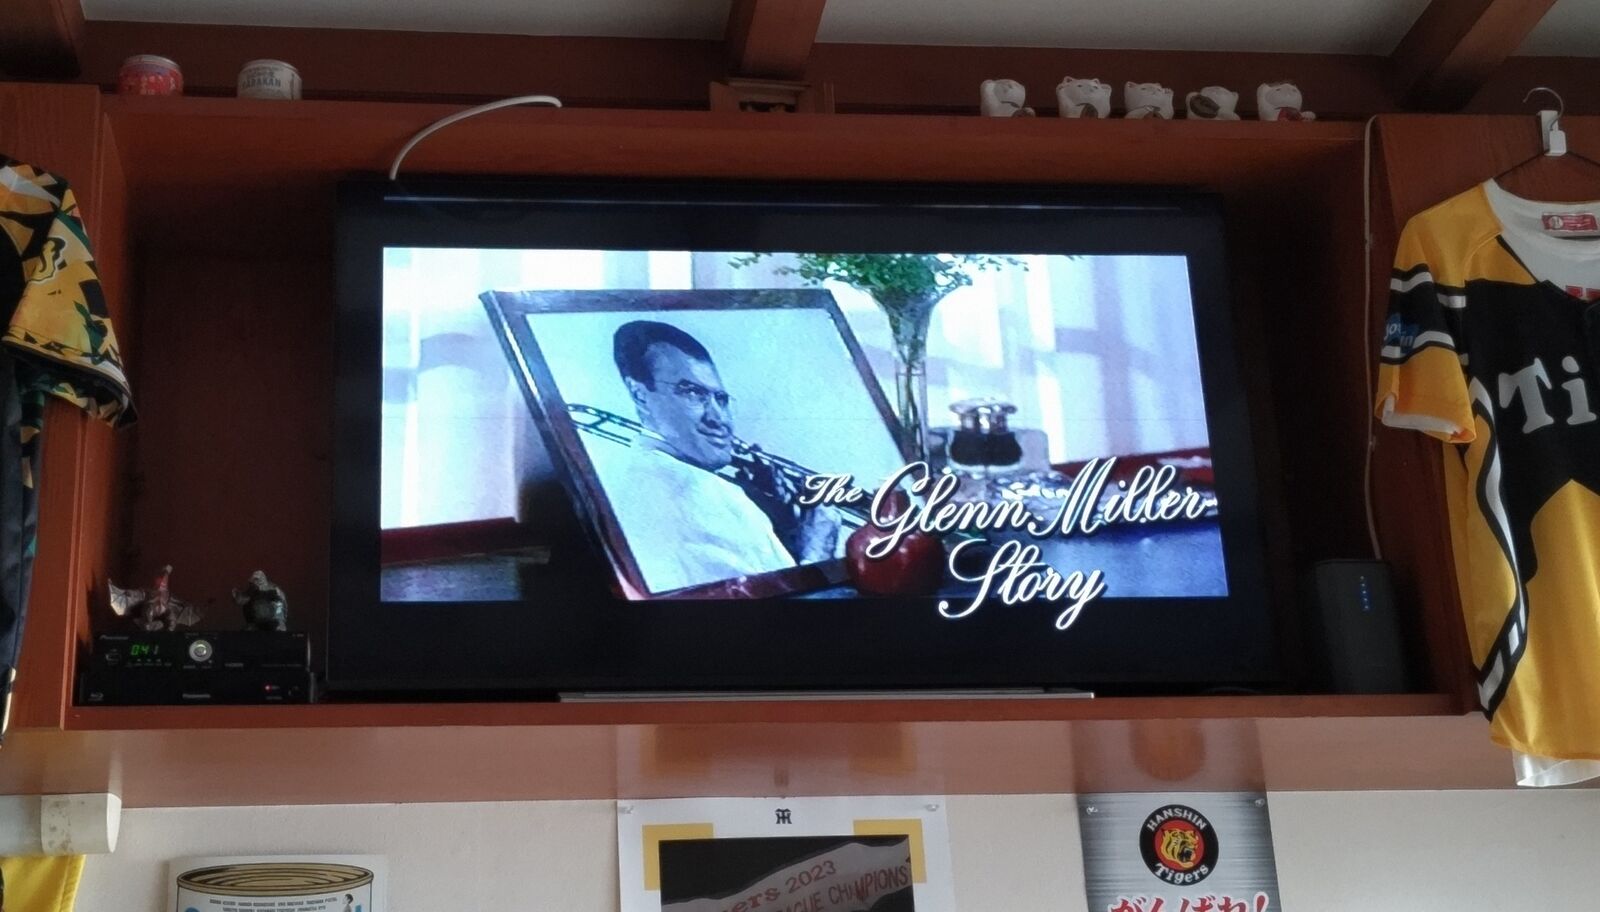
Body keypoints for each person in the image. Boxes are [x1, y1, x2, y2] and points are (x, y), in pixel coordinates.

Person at [597, 320, 839, 594]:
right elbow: (781, 613)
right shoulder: (700, 487)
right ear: (639, 394)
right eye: (692, 392)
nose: (718, 418)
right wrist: (818, 552)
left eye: (721, 399)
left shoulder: (622, 475)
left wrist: (783, 529)